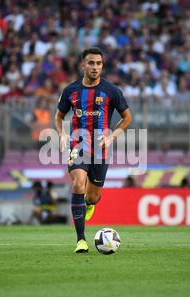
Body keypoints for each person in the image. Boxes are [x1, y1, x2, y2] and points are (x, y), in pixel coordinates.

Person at [54, 47, 132, 253]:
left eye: (98, 63)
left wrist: (112, 136)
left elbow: (127, 117)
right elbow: (59, 116)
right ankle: (81, 240)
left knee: (92, 197)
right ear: (83, 65)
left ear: (102, 66)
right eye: (91, 63)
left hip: (101, 149)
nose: (95, 67)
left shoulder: (112, 91)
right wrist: (62, 134)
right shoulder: (71, 91)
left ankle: (89, 204)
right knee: (78, 183)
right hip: (78, 145)